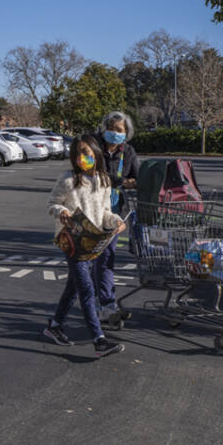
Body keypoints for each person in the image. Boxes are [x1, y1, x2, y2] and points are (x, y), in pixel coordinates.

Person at [42, 132, 126, 356]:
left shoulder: (104, 181)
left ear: (96, 154)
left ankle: (55, 326)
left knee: (74, 287)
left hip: (93, 242)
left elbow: (106, 212)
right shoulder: (68, 180)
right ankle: (99, 340)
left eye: (85, 153)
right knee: (87, 290)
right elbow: (52, 203)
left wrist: (116, 221)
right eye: (77, 153)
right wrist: (62, 211)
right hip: (72, 243)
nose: (81, 157)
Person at [95, 110, 140, 320]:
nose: (114, 133)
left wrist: (132, 181)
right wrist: (121, 181)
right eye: (111, 128)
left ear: (126, 132)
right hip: (91, 211)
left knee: (106, 260)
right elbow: (93, 175)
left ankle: (106, 304)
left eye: (119, 130)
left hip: (115, 213)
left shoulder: (128, 152)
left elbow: (137, 178)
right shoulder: (93, 147)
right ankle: (96, 302)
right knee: (87, 263)